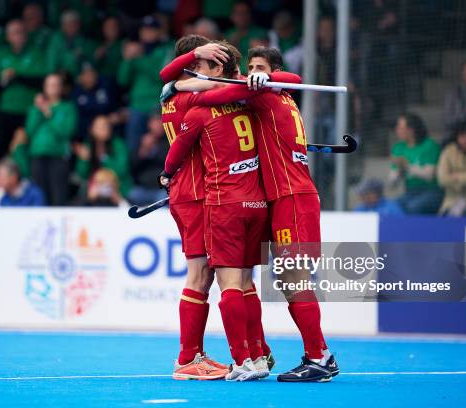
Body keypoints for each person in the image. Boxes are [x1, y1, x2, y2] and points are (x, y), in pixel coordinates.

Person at [171, 46, 337, 382]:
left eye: (259, 68)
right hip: (284, 199)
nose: (251, 74)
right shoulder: (279, 98)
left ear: (272, 73)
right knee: (286, 281)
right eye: (249, 68)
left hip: (291, 199)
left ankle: (320, 357)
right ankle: (313, 355)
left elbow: (215, 99)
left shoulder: (265, 94)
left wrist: (181, 87)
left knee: (293, 281)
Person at [161, 48, 270, 382]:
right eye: (195, 66)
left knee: (233, 278)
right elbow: (178, 80)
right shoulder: (192, 97)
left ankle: (256, 352)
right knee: (204, 276)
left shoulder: (184, 95)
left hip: (205, 195)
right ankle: (189, 358)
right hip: (196, 196)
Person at [0, 19, 48, 169]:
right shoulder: (2, 55)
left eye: (21, 32)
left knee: (27, 146)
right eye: (14, 33)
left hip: (30, 110)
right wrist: (6, 81)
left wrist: (18, 77)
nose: (18, 36)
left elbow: (42, 81)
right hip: (7, 110)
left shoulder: (35, 54)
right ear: (8, 36)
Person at [117, 15, 173, 152]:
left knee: (160, 149)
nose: (147, 33)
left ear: (159, 32)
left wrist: (139, 57)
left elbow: (161, 76)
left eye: (151, 30)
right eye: (144, 30)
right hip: (137, 105)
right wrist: (127, 60)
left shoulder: (166, 49)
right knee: (133, 147)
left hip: (158, 105)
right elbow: (122, 80)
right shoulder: (134, 51)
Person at [25, 73, 77, 206]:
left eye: (56, 84)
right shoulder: (35, 109)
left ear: (61, 88)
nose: (53, 87)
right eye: (50, 84)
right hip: (38, 155)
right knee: (40, 196)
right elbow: (30, 131)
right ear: (44, 87)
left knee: (58, 196)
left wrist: (49, 113)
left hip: (58, 156)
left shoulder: (67, 108)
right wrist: (39, 110)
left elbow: (66, 132)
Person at [390, 113, 443, 214]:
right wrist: (398, 171)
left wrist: (407, 166)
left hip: (432, 191)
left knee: (413, 207)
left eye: (400, 127)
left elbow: (429, 175)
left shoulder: (429, 145)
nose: (397, 130)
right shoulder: (398, 147)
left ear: (411, 130)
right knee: (392, 207)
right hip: (410, 191)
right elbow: (393, 181)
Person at [74, 115, 132, 198]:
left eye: (106, 125)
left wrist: (104, 158)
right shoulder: (88, 146)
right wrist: (84, 160)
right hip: (93, 188)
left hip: (118, 187)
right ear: (92, 129)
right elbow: (82, 174)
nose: (104, 128)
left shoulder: (118, 144)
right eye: (99, 126)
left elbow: (122, 170)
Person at [72, 62, 120, 141]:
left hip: (109, 129)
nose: (90, 78)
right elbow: (77, 119)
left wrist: (115, 116)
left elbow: (115, 108)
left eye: (92, 74)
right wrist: (95, 125)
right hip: (86, 134)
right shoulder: (76, 94)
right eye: (86, 75)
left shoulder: (106, 88)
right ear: (80, 77)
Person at [46, 10, 97, 77]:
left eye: (75, 24)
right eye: (69, 24)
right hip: (61, 78)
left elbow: (89, 59)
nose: (73, 27)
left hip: (81, 78)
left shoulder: (82, 40)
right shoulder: (56, 40)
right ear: (63, 26)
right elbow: (52, 66)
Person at [224, 1, 268, 73]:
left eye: (244, 13)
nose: (241, 16)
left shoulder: (260, 33)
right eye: (238, 13)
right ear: (232, 16)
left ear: (250, 15)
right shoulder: (228, 34)